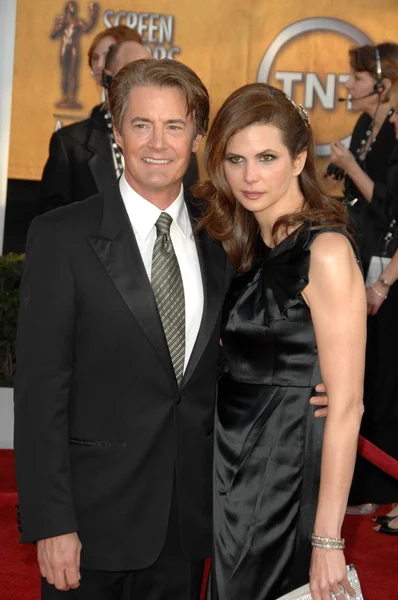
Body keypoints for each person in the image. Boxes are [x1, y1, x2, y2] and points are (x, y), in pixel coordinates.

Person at [14, 59, 328, 599]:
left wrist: (306, 382)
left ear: (198, 137)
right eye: (141, 125)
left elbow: (261, 331)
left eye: (175, 126)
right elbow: (40, 392)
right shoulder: (61, 236)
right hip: (91, 524)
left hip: (188, 523)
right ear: (117, 132)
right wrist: (50, 522)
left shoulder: (225, 239)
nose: (157, 143)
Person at [195, 83, 366, 600]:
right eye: (236, 159)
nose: (250, 176)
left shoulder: (326, 250)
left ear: (297, 159)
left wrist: (327, 538)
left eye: (267, 157)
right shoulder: (249, 245)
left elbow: (347, 405)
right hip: (236, 461)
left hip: (285, 466)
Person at [328, 43, 398, 515]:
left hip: (386, 263)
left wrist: (352, 167)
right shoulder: (363, 126)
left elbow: (389, 204)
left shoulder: (391, 133)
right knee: (370, 371)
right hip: (365, 253)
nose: (346, 86)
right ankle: (370, 484)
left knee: (387, 374)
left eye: (354, 78)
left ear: (382, 84)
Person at [50, 1, 99, 108]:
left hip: (74, 49)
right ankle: (65, 98)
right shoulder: (63, 21)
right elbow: (53, 36)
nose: (74, 8)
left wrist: (93, 16)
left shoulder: (78, 22)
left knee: (73, 74)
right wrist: (58, 27)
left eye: (75, 6)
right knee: (65, 73)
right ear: (67, 8)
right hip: (64, 48)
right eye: (72, 6)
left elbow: (88, 28)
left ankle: (72, 99)